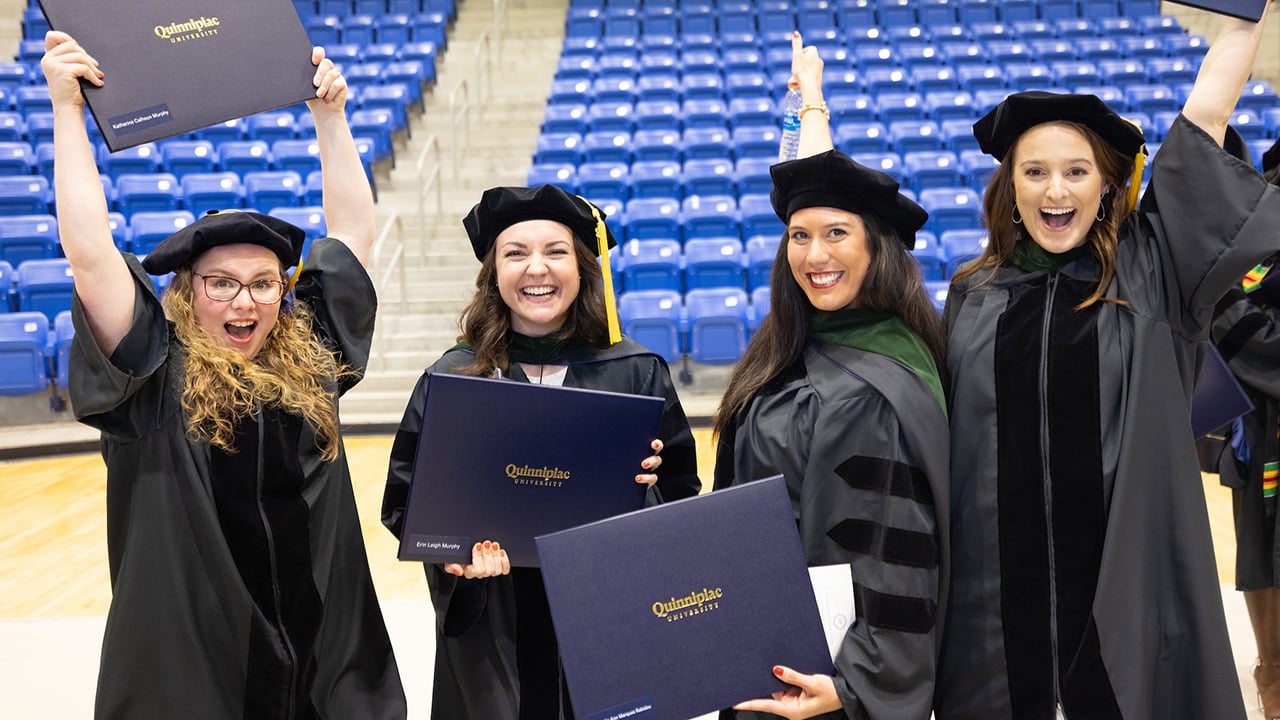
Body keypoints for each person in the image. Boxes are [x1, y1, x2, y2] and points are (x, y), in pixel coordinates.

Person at [42, 31, 406, 719]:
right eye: (221, 284)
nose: (245, 301)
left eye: (264, 283)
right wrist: (67, 110)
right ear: (187, 291)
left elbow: (353, 237)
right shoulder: (153, 369)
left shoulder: (309, 359)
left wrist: (331, 118)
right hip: (199, 668)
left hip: (321, 660)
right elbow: (90, 255)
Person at [936, 6, 1280, 719]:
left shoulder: (1153, 271)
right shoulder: (974, 295)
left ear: (1104, 188)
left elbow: (1206, 118)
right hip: (997, 608)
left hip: (1128, 596)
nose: (1055, 190)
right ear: (1010, 188)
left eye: (1076, 171)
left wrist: (1246, 17)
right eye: (1035, 172)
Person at [380, 183, 701, 720]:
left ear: (582, 269)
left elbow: (682, 497)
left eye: (556, 252)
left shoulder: (635, 372)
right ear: (493, 274)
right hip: (496, 624)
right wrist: (457, 557)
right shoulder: (454, 377)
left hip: (606, 619)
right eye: (515, 254)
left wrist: (644, 493)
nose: (536, 268)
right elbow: (406, 501)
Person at [712, 32, 950, 720]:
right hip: (765, 655)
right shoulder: (796, 345)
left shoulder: (879, 385)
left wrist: (852, 687)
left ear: (877, 247)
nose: (814, 254)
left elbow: (897, 556)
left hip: (824, 684)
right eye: (799, 235)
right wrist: (809, 104)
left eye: (837, 233)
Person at [1211, 136, 1280, 720]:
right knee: (1258, 543)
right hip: (1261, 421)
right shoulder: (1253, 242)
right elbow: (1232, 316)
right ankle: (1272, 667)